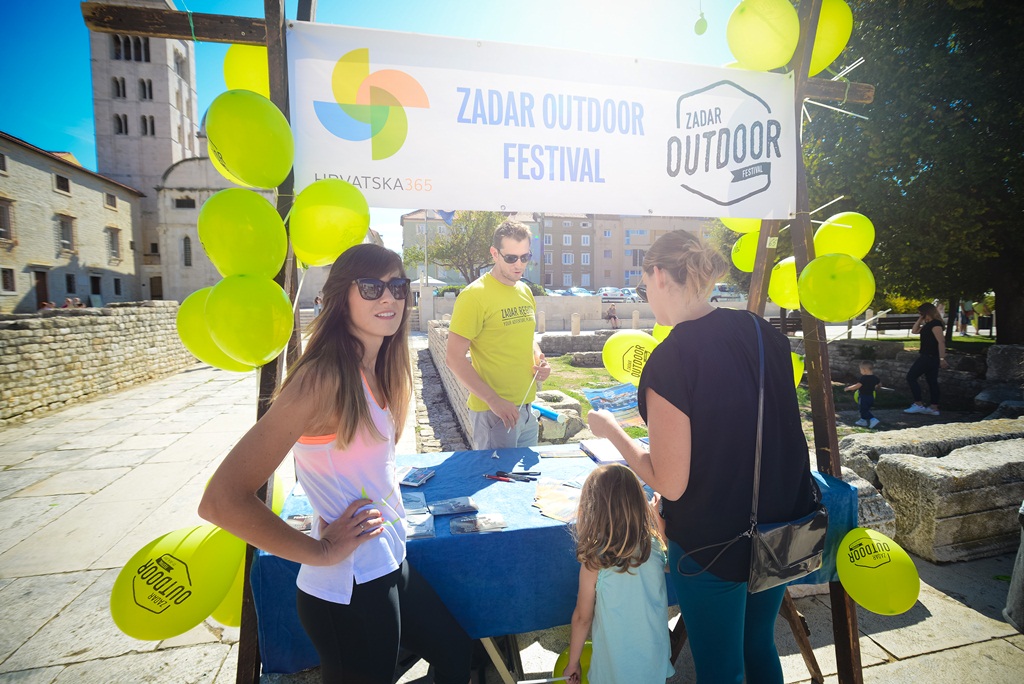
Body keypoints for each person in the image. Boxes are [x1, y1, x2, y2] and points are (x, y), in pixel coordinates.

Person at [199, 244, 471, 684]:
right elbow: (221, 500)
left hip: (389, 559)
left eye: (398, 286)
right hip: (348, 588)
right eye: (371, 287)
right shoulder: (323, 377)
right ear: (342, 296)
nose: (390, 298)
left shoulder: (381, 367)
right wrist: (319, 551)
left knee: (458, 655)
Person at [585, 230, 817, 684]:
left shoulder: (672, 358)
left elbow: (670, 483)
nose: (645, 295)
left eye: (642, 285)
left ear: (656, 275)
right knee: (758, 646)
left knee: (721, 669)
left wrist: (612, 432)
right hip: (779, 529)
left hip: (715, 544)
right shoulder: (763, 333)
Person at [564, 464, 674, 684]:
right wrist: (662, 527)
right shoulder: (652, 547)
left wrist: (573, 663)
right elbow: (673, 564)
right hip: (654, 658)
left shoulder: (595, 562)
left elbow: (582, 618)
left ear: (592, 510)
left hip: (615, 666)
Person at [446, 220, 551, 450]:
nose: (519, 264)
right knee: (497, 484)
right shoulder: (474, 296)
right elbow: (453, 358)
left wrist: (540, 359)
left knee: (527, 483)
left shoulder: (524, 290)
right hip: (493, 413)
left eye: (525, 257)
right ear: (494, 253)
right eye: (511, 258)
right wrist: (494, 400)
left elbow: (526, 337)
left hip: (527, 408)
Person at [904, 301, 948, 416]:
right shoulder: (928, 324)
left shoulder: (936, 324)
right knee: (932, 381)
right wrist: (920, 319)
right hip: (928, 356)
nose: (920, 314)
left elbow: (941, 342)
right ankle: (934, 408)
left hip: (929, 357)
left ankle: (918, 404)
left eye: (921, 313)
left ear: (926, 312)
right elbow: (914, 331)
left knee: (911, 377)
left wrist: (942, 359)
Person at [845, 360, 882, 429]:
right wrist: (877, 387)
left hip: (863, 397)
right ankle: (863, 421)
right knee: (865, 409)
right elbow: (879, 384)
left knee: (863, 410)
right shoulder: (875, 378)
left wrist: (848, 388)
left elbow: (857, 386)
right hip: (871, 397)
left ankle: (873, 419)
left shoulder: (864, 378)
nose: (860, 371)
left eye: (860, 370)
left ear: (864, 370)